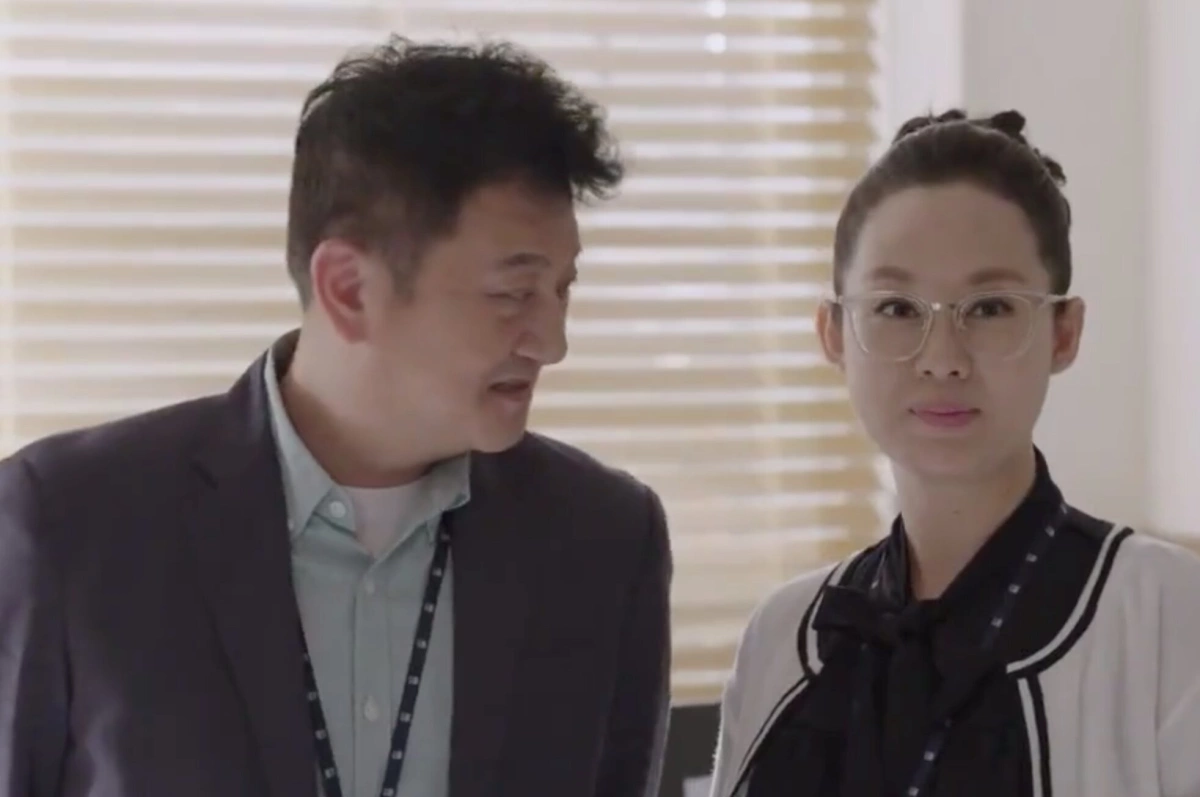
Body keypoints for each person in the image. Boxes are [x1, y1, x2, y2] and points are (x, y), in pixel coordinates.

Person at [0, 36, 672, 797]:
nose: (552, 342)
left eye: (563, 289)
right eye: (512, 294)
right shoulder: (69, 527)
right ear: (348, 289)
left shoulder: (605, 541)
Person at [707, 109, 1200, 797]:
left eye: (990, 307)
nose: (942, 359)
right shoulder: (782, 635)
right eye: (897, 308)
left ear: (1064, 332)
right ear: (834, 334)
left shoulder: (1170, 617)